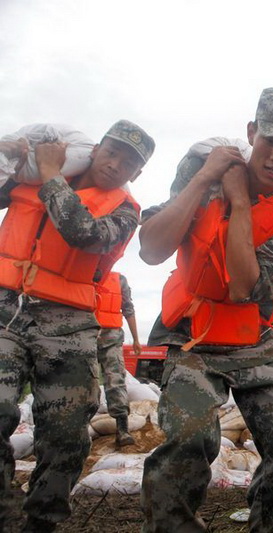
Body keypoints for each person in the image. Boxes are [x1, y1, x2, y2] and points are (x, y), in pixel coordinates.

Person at [138, 88, 273, 532]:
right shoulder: (201, 171)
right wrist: (204, 181)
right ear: (251, 133)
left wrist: (239, 202)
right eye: (270, 142)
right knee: (188, 439)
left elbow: (243, 288)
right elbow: (151, 249)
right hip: (192, 338)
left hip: (260, 341)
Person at [0, 120, 153, 532]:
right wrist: (13, 157)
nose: (117, 164)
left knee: (66, 434)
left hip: (68, 325)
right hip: (5, 310)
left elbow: (83, 234)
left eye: (130, 162)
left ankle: (42, 521)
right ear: (97, 147)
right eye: (113, 151)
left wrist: (51, 174)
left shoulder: (124, 209)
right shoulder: (31, 176)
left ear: (137, 173)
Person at [94, 271, 142, 446]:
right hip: (83, 337)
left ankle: (122, 430)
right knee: (86, 385)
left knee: (116, 381)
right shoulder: (81, 271)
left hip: (112, 338)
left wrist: (136, 339)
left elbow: (128, 308)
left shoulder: (119, 280)